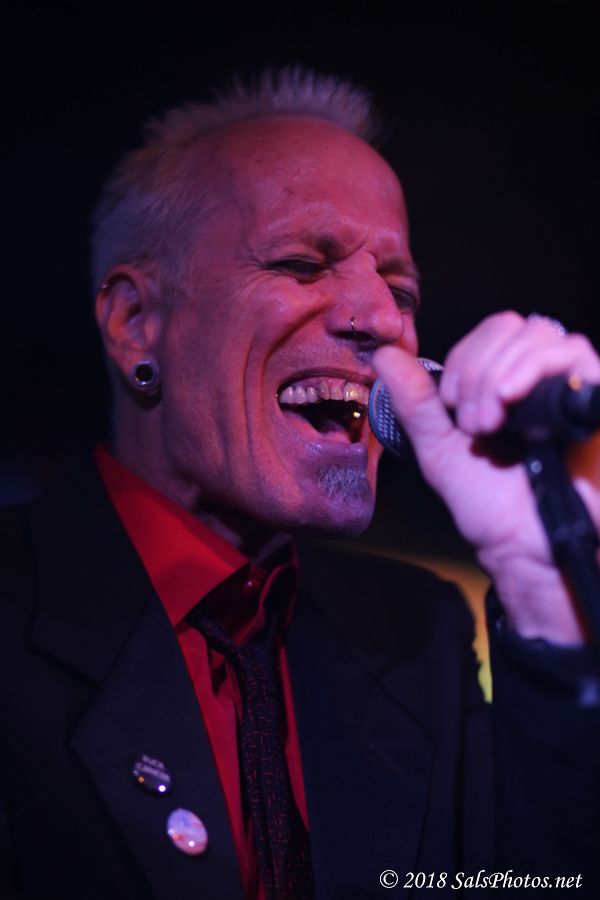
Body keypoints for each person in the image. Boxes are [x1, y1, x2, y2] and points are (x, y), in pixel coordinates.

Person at [1, 67, 600, 900]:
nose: (380, 319)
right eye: (299, 263)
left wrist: (544, 589)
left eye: (400, 290)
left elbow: (542, 883)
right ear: (137, 322)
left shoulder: (419, 637)